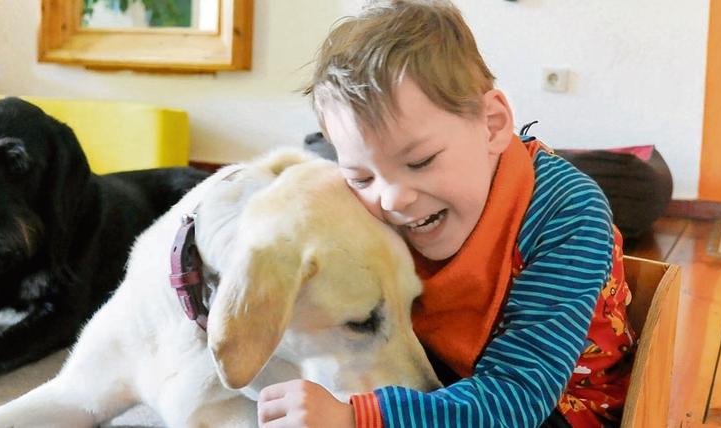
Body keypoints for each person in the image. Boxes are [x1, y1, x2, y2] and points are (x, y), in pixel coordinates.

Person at [257, 1, 634, 427]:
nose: (392, 199)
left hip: (555, 407)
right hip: (443, 381)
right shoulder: (387, 209)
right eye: (362, 178)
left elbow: (518, 399)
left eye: (419, 161)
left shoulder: (567, 211)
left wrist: (355, 418)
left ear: (492, 125)